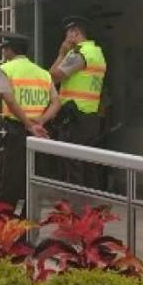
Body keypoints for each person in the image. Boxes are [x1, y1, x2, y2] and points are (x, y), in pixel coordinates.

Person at [0, 33, 60, 211]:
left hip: (16, 131)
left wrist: (28, 124)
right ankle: (29, 224)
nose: (3, 53)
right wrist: (41, 121)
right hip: (40, 132)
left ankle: (1, 224)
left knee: (9, 181)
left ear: (9, 50)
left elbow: (9, 99)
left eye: (4, 49)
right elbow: (56, 102)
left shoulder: (5, 69)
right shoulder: (43, 73)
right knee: (34, 181)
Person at [49, 15, 108, 186]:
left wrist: (61, 54)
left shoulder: (78, 54)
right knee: (87, 165)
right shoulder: (97, 52)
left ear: (75, 33)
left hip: (75, 117)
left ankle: (74, 201)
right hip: (91, 117)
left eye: (68, 33)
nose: (66, 38)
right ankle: (90, 201)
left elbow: (53, 77)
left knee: (71, 165)